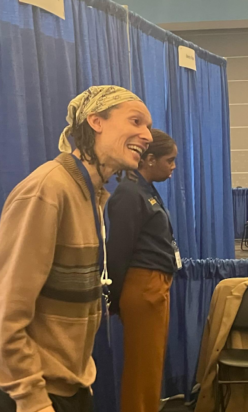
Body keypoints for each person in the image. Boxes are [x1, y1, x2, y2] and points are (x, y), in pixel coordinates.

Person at [0, 86, 154, 412]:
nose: (146, 135)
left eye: (147, 126)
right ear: (96, 122)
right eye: (135, 121)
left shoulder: (93, 194)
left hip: (72, 386)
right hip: (35, 395)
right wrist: (32, 399)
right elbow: (3, 310)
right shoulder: (47, 190)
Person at [107, 129, 178, 412]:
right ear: (148, 159)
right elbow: (119, 249)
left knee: (151, 364)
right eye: (169, 160)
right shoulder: (128, 193)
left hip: (155, 285)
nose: (173, 166)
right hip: (143, 285)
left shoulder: (145, 190)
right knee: (142, 368)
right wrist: (114, 297)